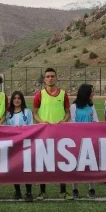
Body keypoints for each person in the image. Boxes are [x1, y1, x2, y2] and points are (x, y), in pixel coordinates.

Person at [33, 68, 72, 200]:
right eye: (48, 76)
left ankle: (63, 191)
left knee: (62, 161)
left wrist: (64, 121)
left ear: (56, 78)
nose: (50, 78)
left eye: (52, 76)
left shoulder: (63, 94)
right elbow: (34, 113)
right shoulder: (39, 95)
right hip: (44, 133)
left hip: (60, 133)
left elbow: (68, 112)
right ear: (44, 79)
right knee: (43, 161)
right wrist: (42, 122)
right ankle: (42, 191)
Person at [69, 84, 98, 199]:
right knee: (76, 164)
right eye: (91, 91)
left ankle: (91, 188)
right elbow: (72, 122)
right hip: (77, 140)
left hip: (90, 140)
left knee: (91, 163)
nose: (93, 93)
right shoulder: (74, 107)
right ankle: (75, 188)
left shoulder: (91, 106)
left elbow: (96, 121)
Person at [5, 91, 35, 201]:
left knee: (27, 168)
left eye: (19, 98)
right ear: (12, 100)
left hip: (25, 144)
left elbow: (31, 127)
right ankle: (17, 191)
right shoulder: (8, 114)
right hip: (13, 145)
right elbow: (6, 128)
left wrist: (23, 130)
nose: (17, 100)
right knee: (15, 168)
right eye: (15, 98)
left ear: (22, 100)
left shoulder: (27, 112)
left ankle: (28, 192)